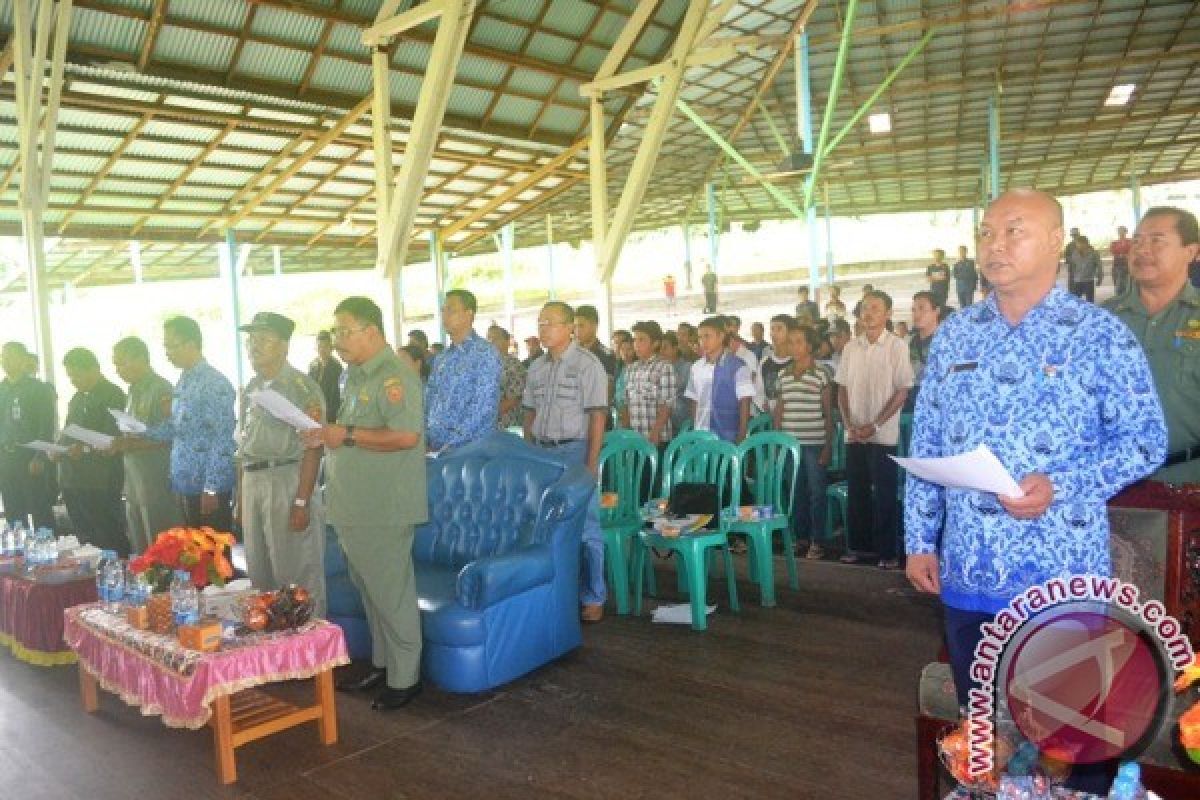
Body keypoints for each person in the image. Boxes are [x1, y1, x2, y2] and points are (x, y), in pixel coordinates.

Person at [905, 190, 1165, 794]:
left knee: (1074, 740)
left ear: (1056, 242)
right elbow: (929, 444)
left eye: (1014, 231)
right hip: (970, 570)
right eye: (986, 233)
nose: (995, 245)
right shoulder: (955, 337)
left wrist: (1065, 485)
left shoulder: (1100, 335)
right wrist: (920, 540)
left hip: (1062, 576)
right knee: (987, 734)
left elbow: (1144, 440)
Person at [305, 296, 426, 711]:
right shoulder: (355, 376)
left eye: (344, 331)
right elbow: (348, 432)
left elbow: (407, 436)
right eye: (335, 331)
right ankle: (382, 664)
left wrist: (348, 435)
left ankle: (406, 676)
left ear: (371, 332)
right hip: (354, 504)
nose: (337, 340)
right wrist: (327, 434)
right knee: (369, 591)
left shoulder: (396, 377)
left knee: (391, 592)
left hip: (383, 506)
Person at [522, 301, 609, 623]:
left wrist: (592, 462)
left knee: (586, 526)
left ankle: (594, 595)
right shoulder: (536, 367)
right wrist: (529, 452)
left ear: (570, 326)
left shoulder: (588, 365)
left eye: (550, 323)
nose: (543, 329)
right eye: (540, 322)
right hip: (542, 453)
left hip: (574, 450)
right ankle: (556, 593)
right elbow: (529, 413)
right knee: (542, 526)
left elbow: (597, 415)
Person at [236, 312, 327, 617]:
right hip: (253, 482)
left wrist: (301, 500)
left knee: (297, 576)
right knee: (260, 574)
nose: (254, 346)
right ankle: (273, 655)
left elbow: (313, 448)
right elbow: (243, 445)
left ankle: (313, 656)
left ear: (284, 346)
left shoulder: (302, 388)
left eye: (263, 340)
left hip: (287, 479)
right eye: (251, 340)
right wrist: (240, 495)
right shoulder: (251, 388)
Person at [1103, 206, 1200, 485]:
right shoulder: (1103, 320)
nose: (1142, 249)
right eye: (1138, 240)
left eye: (1157, 240)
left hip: (1189, 482)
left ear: (1190, 251)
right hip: (1115, 483)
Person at [835, 290, 912, 569]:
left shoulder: (896, 346)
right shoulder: (850, 347)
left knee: (884, 492)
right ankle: (858, 546)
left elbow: (902, 391)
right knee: (857, 491)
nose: (868, 314)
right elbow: (841, 388)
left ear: (888, 314)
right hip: (854, 433)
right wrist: (848, 423)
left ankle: (887, 552)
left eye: (875, 308)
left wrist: (876, 424)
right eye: (865, 308)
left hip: (883, 434)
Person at [144, 317, 236, 531]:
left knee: (214, 556)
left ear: (191, 344)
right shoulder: (184, 379)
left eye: (171, 346)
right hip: (186, 483)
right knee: (194, 555)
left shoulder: (214, 383)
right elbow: (178, 428)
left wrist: (211, 488)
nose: (167, 352)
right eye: (165, 346)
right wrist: (142, 431)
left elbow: (222, 437)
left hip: (207, 486)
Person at [110, 336, 181, 553]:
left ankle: (166, 586)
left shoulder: (161, 389)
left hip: (156, 481)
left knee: (161, 547)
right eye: (115, 364)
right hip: (133, 481)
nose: (118, 369)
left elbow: (170, 435)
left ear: (141, 358)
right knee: (141, 549)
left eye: (122, 362)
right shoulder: (132, 391)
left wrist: (130, 444)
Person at [55, 348, 127, 554]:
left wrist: (84, 449)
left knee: (107, 535)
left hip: (100, 479)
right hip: (73, 478)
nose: (73, 380)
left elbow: (112, 435)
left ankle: (115, 574)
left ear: (94, 369)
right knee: (83, 536)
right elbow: (68, 430)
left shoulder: (114, 394)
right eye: (70, 376)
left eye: (76, 374)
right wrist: (58, 448)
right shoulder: (77, 398)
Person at [772, 325, 833, 559]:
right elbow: (780, 409)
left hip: (815, 442)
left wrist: (828, 445)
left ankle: (818, 540)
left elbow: (828, 413)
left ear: (809, 346)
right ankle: (801, 538)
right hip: (790, 445)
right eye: (790, 342)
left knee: (817, 492)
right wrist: (777, 441)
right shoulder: (783, 375)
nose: (793, 347)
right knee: (795, 492)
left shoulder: (821, 374)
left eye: (798, 342)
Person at [424, 289, 501, 452]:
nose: (445, 315)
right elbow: (429, 399)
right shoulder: (442, 358)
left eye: (451, 310)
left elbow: (483, 408)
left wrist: (451, 445)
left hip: (469, 451)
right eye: (443, 310)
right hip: (436, 450)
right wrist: (425, 438)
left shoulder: (484, 353)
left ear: (469, 315)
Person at [0, 342, 56, 530]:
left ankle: (49, 553)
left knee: (39, 509)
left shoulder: (38, 389)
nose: (6, 360)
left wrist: (39, 456)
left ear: (24, 359)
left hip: (30, 456)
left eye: (11, 356)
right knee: (13, 510)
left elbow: (46, 425)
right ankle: (19, 554)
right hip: (6, 456)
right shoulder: (2, 389)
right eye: (3, 356)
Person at [685, 316, 754, 443]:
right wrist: (696, 428)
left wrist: (742, 433)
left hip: (728, 434)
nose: (703, 341)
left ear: (721, 336)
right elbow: (694, 400)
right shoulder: (696, 367)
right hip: (701, 433)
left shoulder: (738, 366)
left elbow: (745, 401)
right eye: (700, 337)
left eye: (707, 336)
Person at [619, 321, 677, 447]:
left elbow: (667, 405)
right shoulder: (630, 369)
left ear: (655, 343)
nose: (636, 345)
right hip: (634, 438)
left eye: (641, 340)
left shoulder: (664, 367)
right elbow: (626, 403)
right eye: (635, 340)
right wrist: (626, 431)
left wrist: (655, 432)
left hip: (657, 438)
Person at [907, 291, 943, 411]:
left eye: (922, 308)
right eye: (913, 310)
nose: (916, 314)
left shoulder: (947, 341)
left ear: (936, 311)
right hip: (911, 403)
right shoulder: (908, 342)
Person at [487, 325, 526, 431]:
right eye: (488, 338)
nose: (490, 342)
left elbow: (514, 399)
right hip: (485, 426)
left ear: (507, 341)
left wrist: (489, 416)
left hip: (506, 425)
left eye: (495, 339)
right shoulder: (485, 364)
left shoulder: (514, 365)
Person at [573, 305, 618, 389]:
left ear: (594, 326)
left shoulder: (606, 356)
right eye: (575, 326)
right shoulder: (571, 354)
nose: (577, 331)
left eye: (581, 326)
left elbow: (607, 389)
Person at [760, 314, 797, 408]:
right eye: (772, 329)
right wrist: (764, 404)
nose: (774, 333)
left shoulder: (797, 362)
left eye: (779, 329)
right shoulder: (764, 363)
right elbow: (759, 392)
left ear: (790, 333)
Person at [659, 332, 691, 437]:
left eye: (665, 348)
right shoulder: (658, 369)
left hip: (681, 422)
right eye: (659, 348)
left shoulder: (687, 368)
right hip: (662, 424)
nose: (661, 351)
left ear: (675, 348)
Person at [308, 330, 343, 422]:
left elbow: (335, 397)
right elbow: (309, 387)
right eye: (319, 346)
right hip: (313, 410)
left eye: (325, 346)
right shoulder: (313, 365)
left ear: (331, 348)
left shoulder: (336, 368)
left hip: (329, 413)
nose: (322, 350)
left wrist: (327, 416)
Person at [1066, 235, 1102, 302]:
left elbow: (1099, 266)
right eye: (1077, 244)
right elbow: (1073, 266)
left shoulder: (1094, 253)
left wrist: (1100, 278)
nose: (1078, 245)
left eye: (1080, 243)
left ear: (1086, 243)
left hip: (1088, 280)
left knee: (1090, 301)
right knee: (1076, 301)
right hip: (1077, 280)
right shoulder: (1074, 253)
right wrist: (1072, 278)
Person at [952, 245, 977, 309]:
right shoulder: (956, 263)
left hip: (969, 288)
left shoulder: (971, 262)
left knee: (969, 306)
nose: (962, 253)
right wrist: (964, 275)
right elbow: (955, 275)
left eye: (963, 251)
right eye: (960, 251)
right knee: (962, 306)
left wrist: (974, 286)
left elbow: (973, 274)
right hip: (960, 288)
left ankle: (970, 319)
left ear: (966, 252)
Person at [1110, 224, 1132, 295]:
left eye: (1123, 231)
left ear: (1126, 232)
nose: (1121, 233)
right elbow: (1113, 251)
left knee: (1128, 284)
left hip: (1128, 265)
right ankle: (1119, 299)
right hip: (1117, 265)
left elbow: (1132, 251)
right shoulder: (1114, 243)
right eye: (1120, 231)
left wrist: (1123, 254)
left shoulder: (1131, 242)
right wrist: (1123, 254)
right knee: (1118, 285)